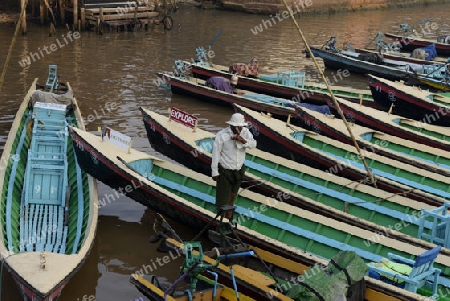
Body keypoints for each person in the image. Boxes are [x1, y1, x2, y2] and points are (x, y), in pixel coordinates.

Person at [211, 112, 257, 219]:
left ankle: (229, 218)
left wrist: (243, 140)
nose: (237, 129)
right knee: (223, 200)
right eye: (235, 127)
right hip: (225, 171)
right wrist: (214, 171)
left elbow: (254, 144)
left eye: (239, 127)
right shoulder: (222, 135)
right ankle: (221, 221)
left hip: (239, 170)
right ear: (230, 125)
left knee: (232, 197)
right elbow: (216, 153)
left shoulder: (245, 132)